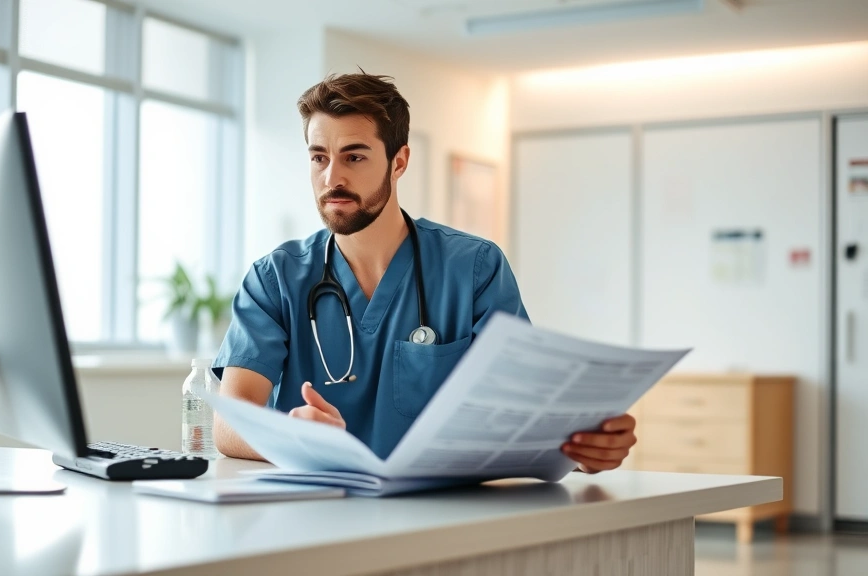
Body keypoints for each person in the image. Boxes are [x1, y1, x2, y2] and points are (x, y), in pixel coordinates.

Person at [212, 73, 636, 473]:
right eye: (318, 157)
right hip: (313, 514)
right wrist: (292, 436)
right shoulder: (274, 279)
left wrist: (582, 449)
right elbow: (228, 424)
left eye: (354, 157)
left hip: (440, 514)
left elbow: (522, 411)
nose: (331, 177)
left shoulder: (474, 269)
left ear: (399, 162)